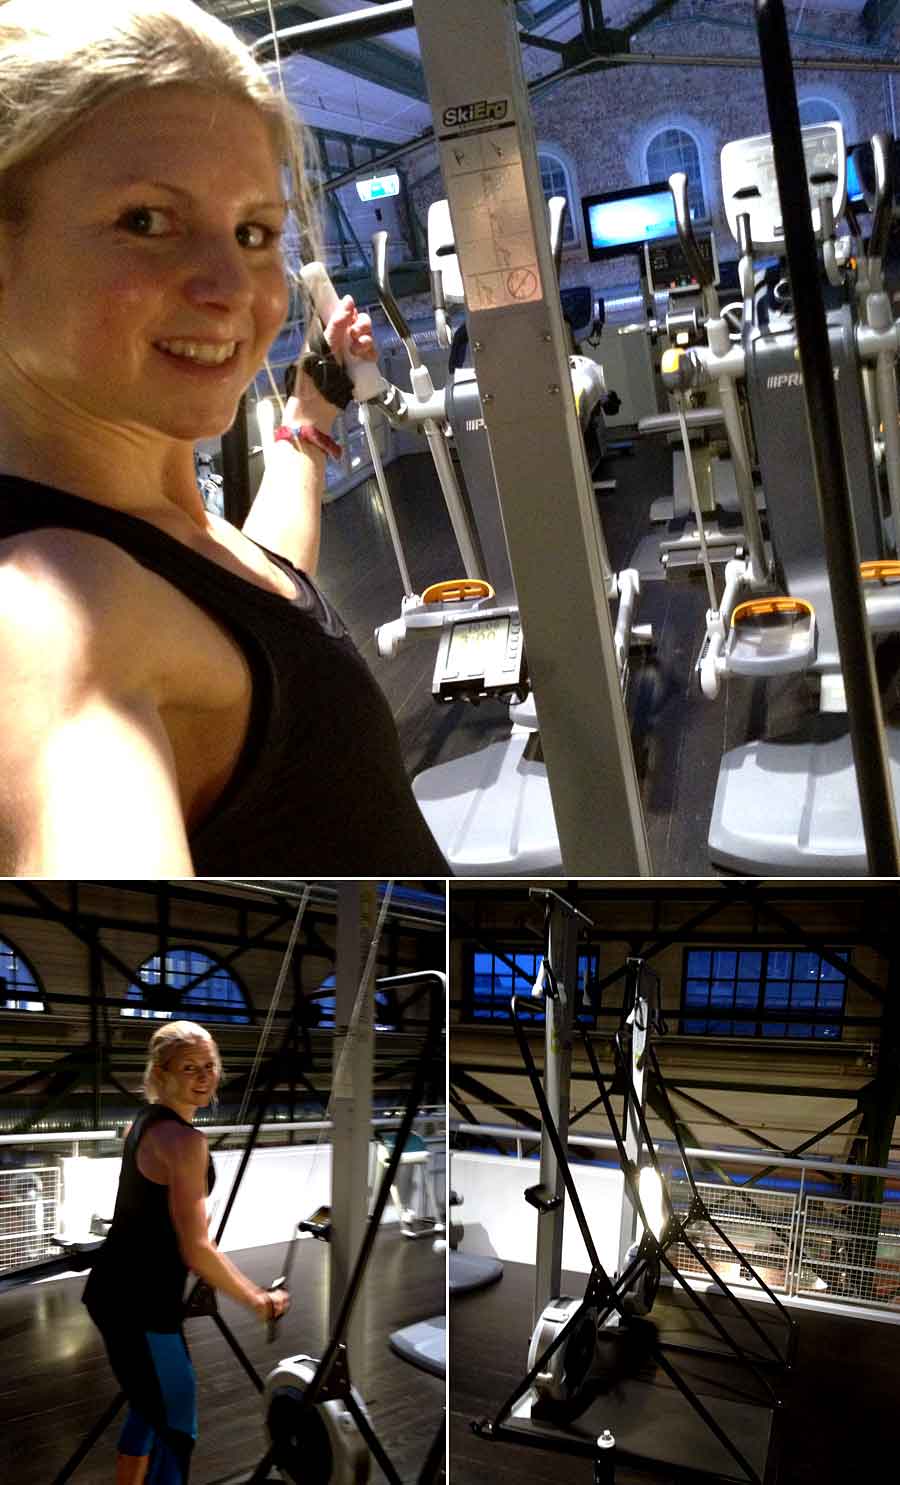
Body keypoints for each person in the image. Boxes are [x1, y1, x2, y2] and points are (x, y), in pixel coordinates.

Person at [0, 0, 447, 875]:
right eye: (146, 221)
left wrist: (310, 417)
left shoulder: (149, 523)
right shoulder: (51, 616)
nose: (231, 286)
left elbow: (254, 590)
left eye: (253, 232)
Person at [82, 1020, 285, 1485]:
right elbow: (196, 1249)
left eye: (209, 1066)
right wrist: (258, 1299)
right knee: (176, 1423)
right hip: (142, 1304)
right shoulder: (186, 1142)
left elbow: (152, 1213)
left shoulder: (142, 1123)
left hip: (112, 1290)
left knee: (147, 1405)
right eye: (189, 1067)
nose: (203, 1076)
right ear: (161, 1073)